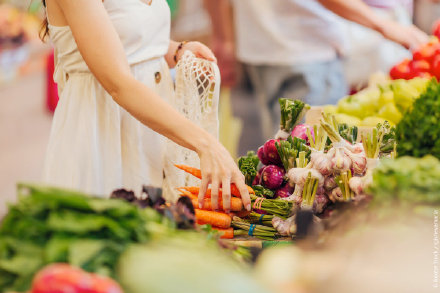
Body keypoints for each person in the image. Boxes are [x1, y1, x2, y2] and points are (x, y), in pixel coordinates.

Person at [41, 0, 251, 213]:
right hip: (102, 133)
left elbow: (131, 37)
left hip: (152, 130)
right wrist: (207, 145)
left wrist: (176, 50)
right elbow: (119, 84)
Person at [207, 0, 429, 140]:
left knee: (282, 152)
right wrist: (383, 26)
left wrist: (223, 36)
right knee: (309, 160)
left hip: (258, 47)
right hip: (308, 50)